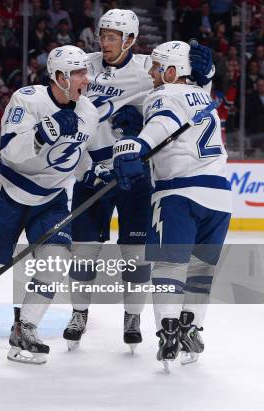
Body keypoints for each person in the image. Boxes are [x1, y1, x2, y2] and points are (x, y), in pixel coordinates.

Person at [62, 9, 215, 353]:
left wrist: (207, 72)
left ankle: (132, 317)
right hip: (91, 175)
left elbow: (191, 88)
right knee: (84, 252)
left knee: (135, 254)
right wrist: (82, 167)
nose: (105, 43)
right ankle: (78, 314)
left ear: (130, 39)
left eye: (113, 37)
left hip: (133, 178)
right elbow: (67, 114)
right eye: (102, 35)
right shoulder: (82, 63)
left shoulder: (151, 68)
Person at [0, 46, 98, 364]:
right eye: (80, 72)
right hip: (11, 194)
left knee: (55, 262)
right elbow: (9, 152)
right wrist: (44, 132)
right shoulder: (27, 99)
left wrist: (106, 167)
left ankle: (25, 327)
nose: (87, 79)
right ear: (60, 77)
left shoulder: (89, 112)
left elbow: (82, 155)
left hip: (52, 199)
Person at [112, 41, 230, 371]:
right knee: (200, 272)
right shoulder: (203, 93)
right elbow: (198, 86)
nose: (151, 73)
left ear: (173, 71)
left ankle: (168, 330)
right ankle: (191, 328)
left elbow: (163, 121)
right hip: (219, 197)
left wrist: (137, 145)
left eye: (157, 67)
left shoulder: (164, 94)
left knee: (167, 269)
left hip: (178, 194)